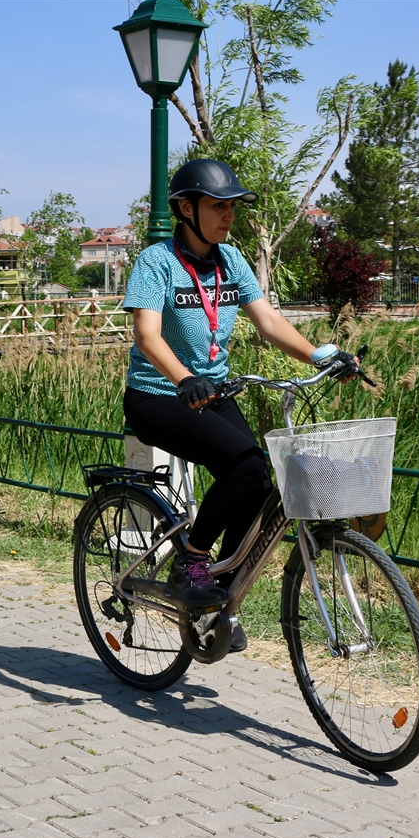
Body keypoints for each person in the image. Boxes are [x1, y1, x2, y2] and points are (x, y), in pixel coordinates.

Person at [122, 159, 357, 652]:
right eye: (217, 206)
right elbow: (147, 335)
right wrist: (182, 377)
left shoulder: (231, 261)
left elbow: (268, 322)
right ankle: (192, 560)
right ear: (186, 209)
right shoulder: (156, 261)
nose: (228, 216)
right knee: (246, 465)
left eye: (232, 207)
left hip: (210, 392)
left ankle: (219, 601)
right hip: (159, 395)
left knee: (259, 483)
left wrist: (320, 353)